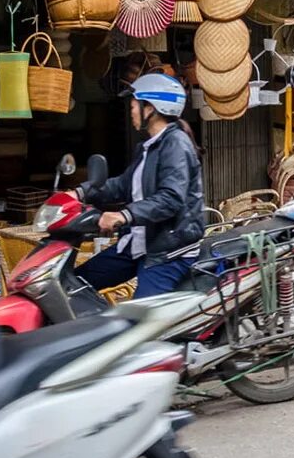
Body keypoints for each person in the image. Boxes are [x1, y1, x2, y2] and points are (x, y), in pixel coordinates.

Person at [75, 73, 204, 297]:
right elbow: (124, 185)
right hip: (141, 242)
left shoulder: (175, 144)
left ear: (150, 109)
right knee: (76, 283)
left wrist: (123, 215)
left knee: (139, 323)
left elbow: (171, 198)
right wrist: (80, 192)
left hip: (168, 252)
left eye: (135, 105)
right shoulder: (150, 146)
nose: (131, 111)